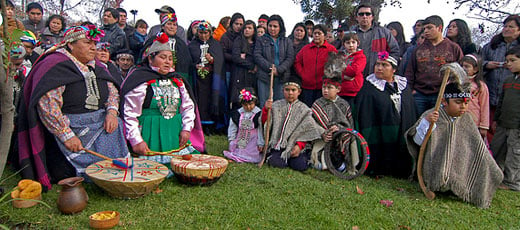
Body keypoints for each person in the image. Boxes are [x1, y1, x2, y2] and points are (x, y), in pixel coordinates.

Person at [17, 25, 130, 190]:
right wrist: (66, 135)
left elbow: (113, 92)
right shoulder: (55, 65)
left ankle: (108, 171)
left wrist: (112, 113)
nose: (93, 47)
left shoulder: (98, 66)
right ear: (71, 44)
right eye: (87, 42)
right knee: (64, 171)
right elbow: (49, 106)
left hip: (101, 122)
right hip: (71, 125)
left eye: (94, 43)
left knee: (117, 124)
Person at [405, 71, 503, 208]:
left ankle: (458, 185)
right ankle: (441, 183)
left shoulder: (467, 119)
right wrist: (426, 123)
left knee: (491, 169)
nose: (463, 106)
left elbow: (477, 147)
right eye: (458, 102)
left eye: (466, 102)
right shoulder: (431, 115)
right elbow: (417, 142)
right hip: (435, 166)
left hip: (459, 167)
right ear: (444, 101)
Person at [121, 33, 204, 166]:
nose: (167, 62)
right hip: (150, 133)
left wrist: (187, 129)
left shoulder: (178, 81)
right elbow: (130, 114)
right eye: (163, 57)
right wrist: (136, 140)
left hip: (174, 132)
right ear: (150, 59)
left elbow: (188, 107)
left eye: (170, 58)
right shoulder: (140, 80)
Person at [355, 52, 417, 178]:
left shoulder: (403, 86)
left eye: (384, 65)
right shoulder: (369, 87)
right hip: (379, 129)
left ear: (393, 69)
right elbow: (365, 112)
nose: (379, 68)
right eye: (377, 64)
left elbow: (410, 109)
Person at [404, 15, 463, 115]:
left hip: (441, 94)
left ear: (439, 28)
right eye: (424, 28)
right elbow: (410, 72)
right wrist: (410, 91)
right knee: (418, 124)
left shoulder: (453, 48)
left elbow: (461, 73)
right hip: (419, 94)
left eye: (429, 28)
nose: (426, 31)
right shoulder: (418, 49)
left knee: (437, 125)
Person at [262, 80, 323, 171]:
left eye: (293, 90)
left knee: (300, 165)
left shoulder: (304, 110)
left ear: (299, 92)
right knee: (277, 163)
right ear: (283, 91)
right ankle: (278, 156)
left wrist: (299, 145)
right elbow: (265, 123)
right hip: (278, 145)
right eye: (287, 90)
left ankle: (294, 158)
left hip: (295, 146)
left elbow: (308, 130)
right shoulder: (276, 106)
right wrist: (266, 110)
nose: (290, 93)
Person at [310, 53, 354, 171]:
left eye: (329, 88)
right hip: (321, 139)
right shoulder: (317, 104)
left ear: (338, 89)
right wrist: (323, 132)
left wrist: (338, 128)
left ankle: (340, 160)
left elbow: (349, 125)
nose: (325, 90)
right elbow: (312, 124)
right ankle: (320, 158)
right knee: (318, 165)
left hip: (339, 140)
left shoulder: (343, 104)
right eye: (324, 87)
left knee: (340, 167)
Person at [481, 15, 520, 140]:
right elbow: (476, 63)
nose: (506, 29)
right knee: (491, 133)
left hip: (512, 98)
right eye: (505, 26)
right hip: (491, 95)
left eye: (511, 27)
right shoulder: (492, 45)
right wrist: (487, 64)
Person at [490, 46, 520, 191]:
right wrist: (496, 119)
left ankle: (512, 182)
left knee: (514, 154)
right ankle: (494, 175)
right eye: (507, 61)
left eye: (513, 60)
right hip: (503, 123)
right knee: (497, 149)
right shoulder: (508, 79)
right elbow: (501, 101)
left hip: (516, 126)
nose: (509, 64)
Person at [188, 20, 225, 135]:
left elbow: (220, 60)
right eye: (201, 33)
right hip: (198, 80)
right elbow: (189, 61)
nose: (203, 35)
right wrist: (196, 65)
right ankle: (202, 125)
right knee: (201, 101)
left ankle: (213, 126)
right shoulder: (192, 45)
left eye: (206, 33)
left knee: (213, 99)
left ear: (210, 33)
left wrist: (213, 60)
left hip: (212, 79)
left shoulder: (215, 44)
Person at [254, 15, 294, 107]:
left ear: (280, 27)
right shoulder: (261, 40)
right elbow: (257, 55)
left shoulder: (287, 41)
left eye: (275, 26)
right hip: (264, 76)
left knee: (279, 105)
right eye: (270, 26)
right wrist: (270, 68)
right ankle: (264, 121)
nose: (272, 28)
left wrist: (279, 70)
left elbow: (290, 57)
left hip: (281, 77)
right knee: (265, 104)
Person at [350, 4, 399, 77]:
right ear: (357, 17)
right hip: (354, 76)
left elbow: (395, 51)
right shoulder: (350, 34)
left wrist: (385, 66)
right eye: (361, 14)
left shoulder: (384, 32)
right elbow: (343, 53)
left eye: (367, 14)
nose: (364, 16)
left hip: (377, 76)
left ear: (372, 17)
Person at [294, 24, 337, 107]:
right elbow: (297, 62)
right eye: (315, 33)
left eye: (319, 33)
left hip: (324, 87)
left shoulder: (331, 49)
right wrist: (303, 74)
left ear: (324, 35)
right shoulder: (305, 49)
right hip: (307, 87)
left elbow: (336, 65)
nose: (316, 35)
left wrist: (329, 77)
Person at [223, 88, 264, 163]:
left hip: (253, 140)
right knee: (238, 149)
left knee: (253, 152)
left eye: (251, 104)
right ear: (241, 104)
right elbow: (232, 128)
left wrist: (260, 143)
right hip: (241, 138)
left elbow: (260, 130)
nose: (248, 107)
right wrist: (231, 140)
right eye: (245, 105)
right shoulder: (237, 114)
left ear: (255, 102)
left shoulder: (258, 114)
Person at [460, 54, 489, 139]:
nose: (463, 69)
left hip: (473, 122)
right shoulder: (453, 83)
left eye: (467, 66)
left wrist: (484, 126)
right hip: (457, 120)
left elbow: (485, 106)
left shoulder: (480, 86)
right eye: (461, 66)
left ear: (475, 69)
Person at [230, 20, 257, 110]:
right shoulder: (239, 40)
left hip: (252, 76)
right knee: (239, 100)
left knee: (252, 99)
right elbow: (236, 58)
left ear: (254, 30)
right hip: (240, 75)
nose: (247, 30)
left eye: (250, 28)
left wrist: (247, 60)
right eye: (245, 28)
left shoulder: (257, 42)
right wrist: (251, 65)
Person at [339, 32, 366, 102]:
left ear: (358, 43)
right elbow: (333, 72)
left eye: (353, 42)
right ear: (344, 44)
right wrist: (343, 77)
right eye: (348, 43)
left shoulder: (360, 57)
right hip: (340, 90)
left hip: (353, 91)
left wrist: (341, 67)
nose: (351, 45)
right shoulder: (339, 56)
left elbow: (354, 71)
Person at [220, 13, 245, 89]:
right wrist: (236, 57)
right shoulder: (225, 37)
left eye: (241, 24)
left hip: (241, 69)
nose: (238, 26)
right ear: (232, 24)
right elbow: (222, 53)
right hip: (228, 69)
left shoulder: (244, 36)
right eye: (236, 24)